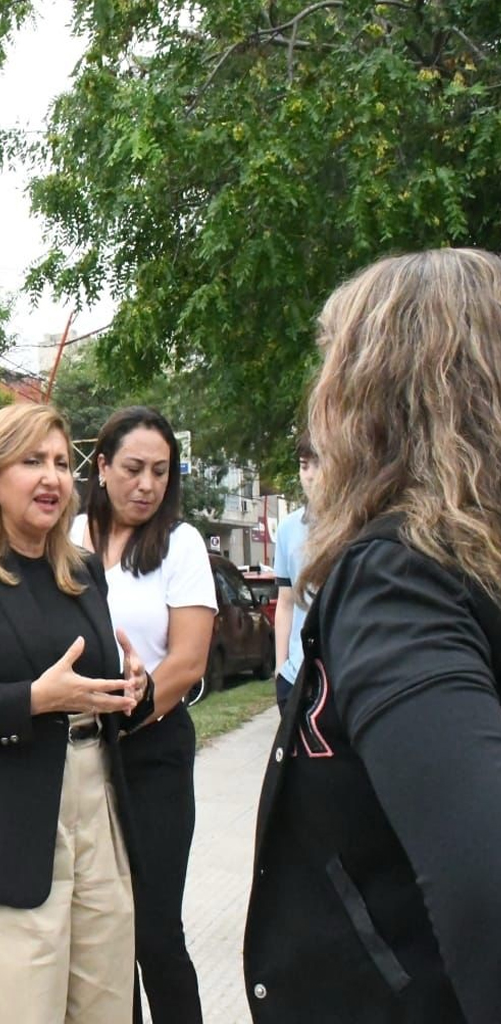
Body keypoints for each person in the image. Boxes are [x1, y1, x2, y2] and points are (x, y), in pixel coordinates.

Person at [244, 248, 501, 1024]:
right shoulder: (469, 558)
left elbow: (483, 883)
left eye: (331, 370)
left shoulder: (402, 576)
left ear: (377, 395)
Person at [0, 402, 152, 1023]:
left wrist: (130, 689)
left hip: (96, 812)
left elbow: (90, 688)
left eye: (62, 463)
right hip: (1, 829)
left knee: (104, 1005)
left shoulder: (82, 570)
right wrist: (33, 701)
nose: (52, 478)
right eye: (32, 461)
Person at [73, 407, 216, 1024]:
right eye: (133, 469)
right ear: (102, 466)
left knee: (154, 931)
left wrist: (135, 703)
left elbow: (188, 661)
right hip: (77, 754)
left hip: (152, 750)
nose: (147, 485)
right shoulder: (66, 537)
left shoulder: (180, 544)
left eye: (161, 471)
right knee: (102, 939)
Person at [271, 432, 318, 712]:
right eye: (304, 466)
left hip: (341, 677)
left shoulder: (358, 525)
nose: (310, 476)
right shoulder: (288, 528)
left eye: (318, 464)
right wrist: (280, 669)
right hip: (295, 678)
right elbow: (285, 603)